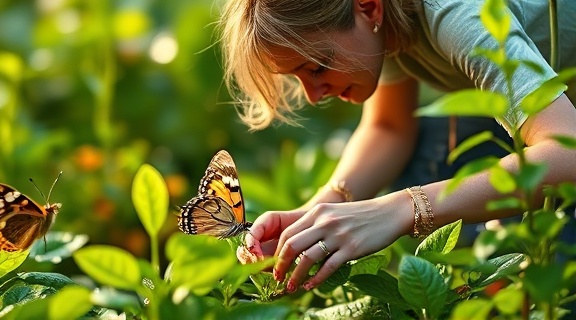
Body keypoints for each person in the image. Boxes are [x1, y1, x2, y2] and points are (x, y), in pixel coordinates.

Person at [218, 0, 576, 293]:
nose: (313, 96)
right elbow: (389, 127)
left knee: (436, 153)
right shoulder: (384, 24)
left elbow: (569, 152)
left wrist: (401, 209)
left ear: (369, 8)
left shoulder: (455, 13)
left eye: (317, 67)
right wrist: (318, 212)